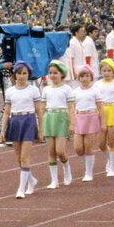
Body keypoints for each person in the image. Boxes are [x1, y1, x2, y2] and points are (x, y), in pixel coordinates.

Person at [1, 61, 43, 198]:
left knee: (25, 157)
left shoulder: (33, 90)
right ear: (15, 75)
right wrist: (2, 130)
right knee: (19, 158)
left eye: (24, 73)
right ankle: (31, 181)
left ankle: (21, 189)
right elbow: (6, 112)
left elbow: (39, 111)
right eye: (19, 73)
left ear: (28, 75)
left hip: (29, 121)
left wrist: (41, 129)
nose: (21, 76)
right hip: (15, 122)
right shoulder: (10, 92)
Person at [41, 60, 74, 188]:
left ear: (62, 74)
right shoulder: (46, 89)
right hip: (49, 118)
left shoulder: (67, 89)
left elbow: (71, 107)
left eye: (55, 73)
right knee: (51, 151)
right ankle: (54, 180)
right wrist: (40, 123)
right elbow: (42, 107)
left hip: (61, 118)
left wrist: (72, 124)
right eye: (50, 73)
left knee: (60, 150)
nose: (53, 75)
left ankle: (66, 168)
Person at [72, 65, 104, 181]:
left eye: (87, 76)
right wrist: (71, 122)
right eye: (82, 76)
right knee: (78, 148)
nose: (85, 78)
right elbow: (72, 108)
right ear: (78, 78)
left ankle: (89, 172)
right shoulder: (75, 92)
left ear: (91, 77)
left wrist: (103, 123)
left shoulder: (95, 91)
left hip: (91, 117)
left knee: (88, 147)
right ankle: (88, 164)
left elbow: (100, 107)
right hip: (79, 117)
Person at [96, 59, 114, 176]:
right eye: (104, 71)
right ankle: (110, 159)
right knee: (101, 143)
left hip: (113, 111)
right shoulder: (97, 84)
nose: (106, 73)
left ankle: (113, 166)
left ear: (113, 72)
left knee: (112, 140)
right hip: (101, 112)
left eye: (109, 71)